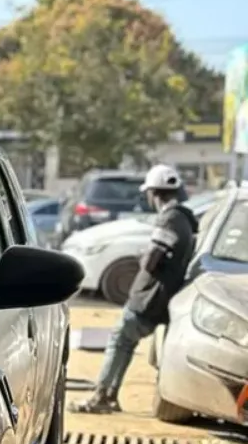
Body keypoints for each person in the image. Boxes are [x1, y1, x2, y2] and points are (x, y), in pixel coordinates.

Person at [72, 164, 198, 414]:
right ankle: (108, 396)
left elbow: (151, 261)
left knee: (120, 339)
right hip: (162, 296)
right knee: (125, 343)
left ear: (154, 193)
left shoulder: (169, 218)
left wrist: (143, 257)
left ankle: (102, 397)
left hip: (149, 297)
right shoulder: (185, 218)